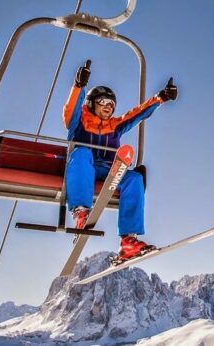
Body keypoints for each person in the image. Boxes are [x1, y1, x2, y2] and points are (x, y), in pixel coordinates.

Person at [62, 59, 177, 261]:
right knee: (82, 153)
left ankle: (128, 241)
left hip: (108, 172)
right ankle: (81, 213)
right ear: (91, 103)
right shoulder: (78, 121)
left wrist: (160, 98)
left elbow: (137, 114)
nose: (108, 106)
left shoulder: (115, 126)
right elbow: (71, 108)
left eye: (111, 104)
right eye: (103, 102)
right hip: (83, 169)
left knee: (134, 178)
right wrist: (79, 86)